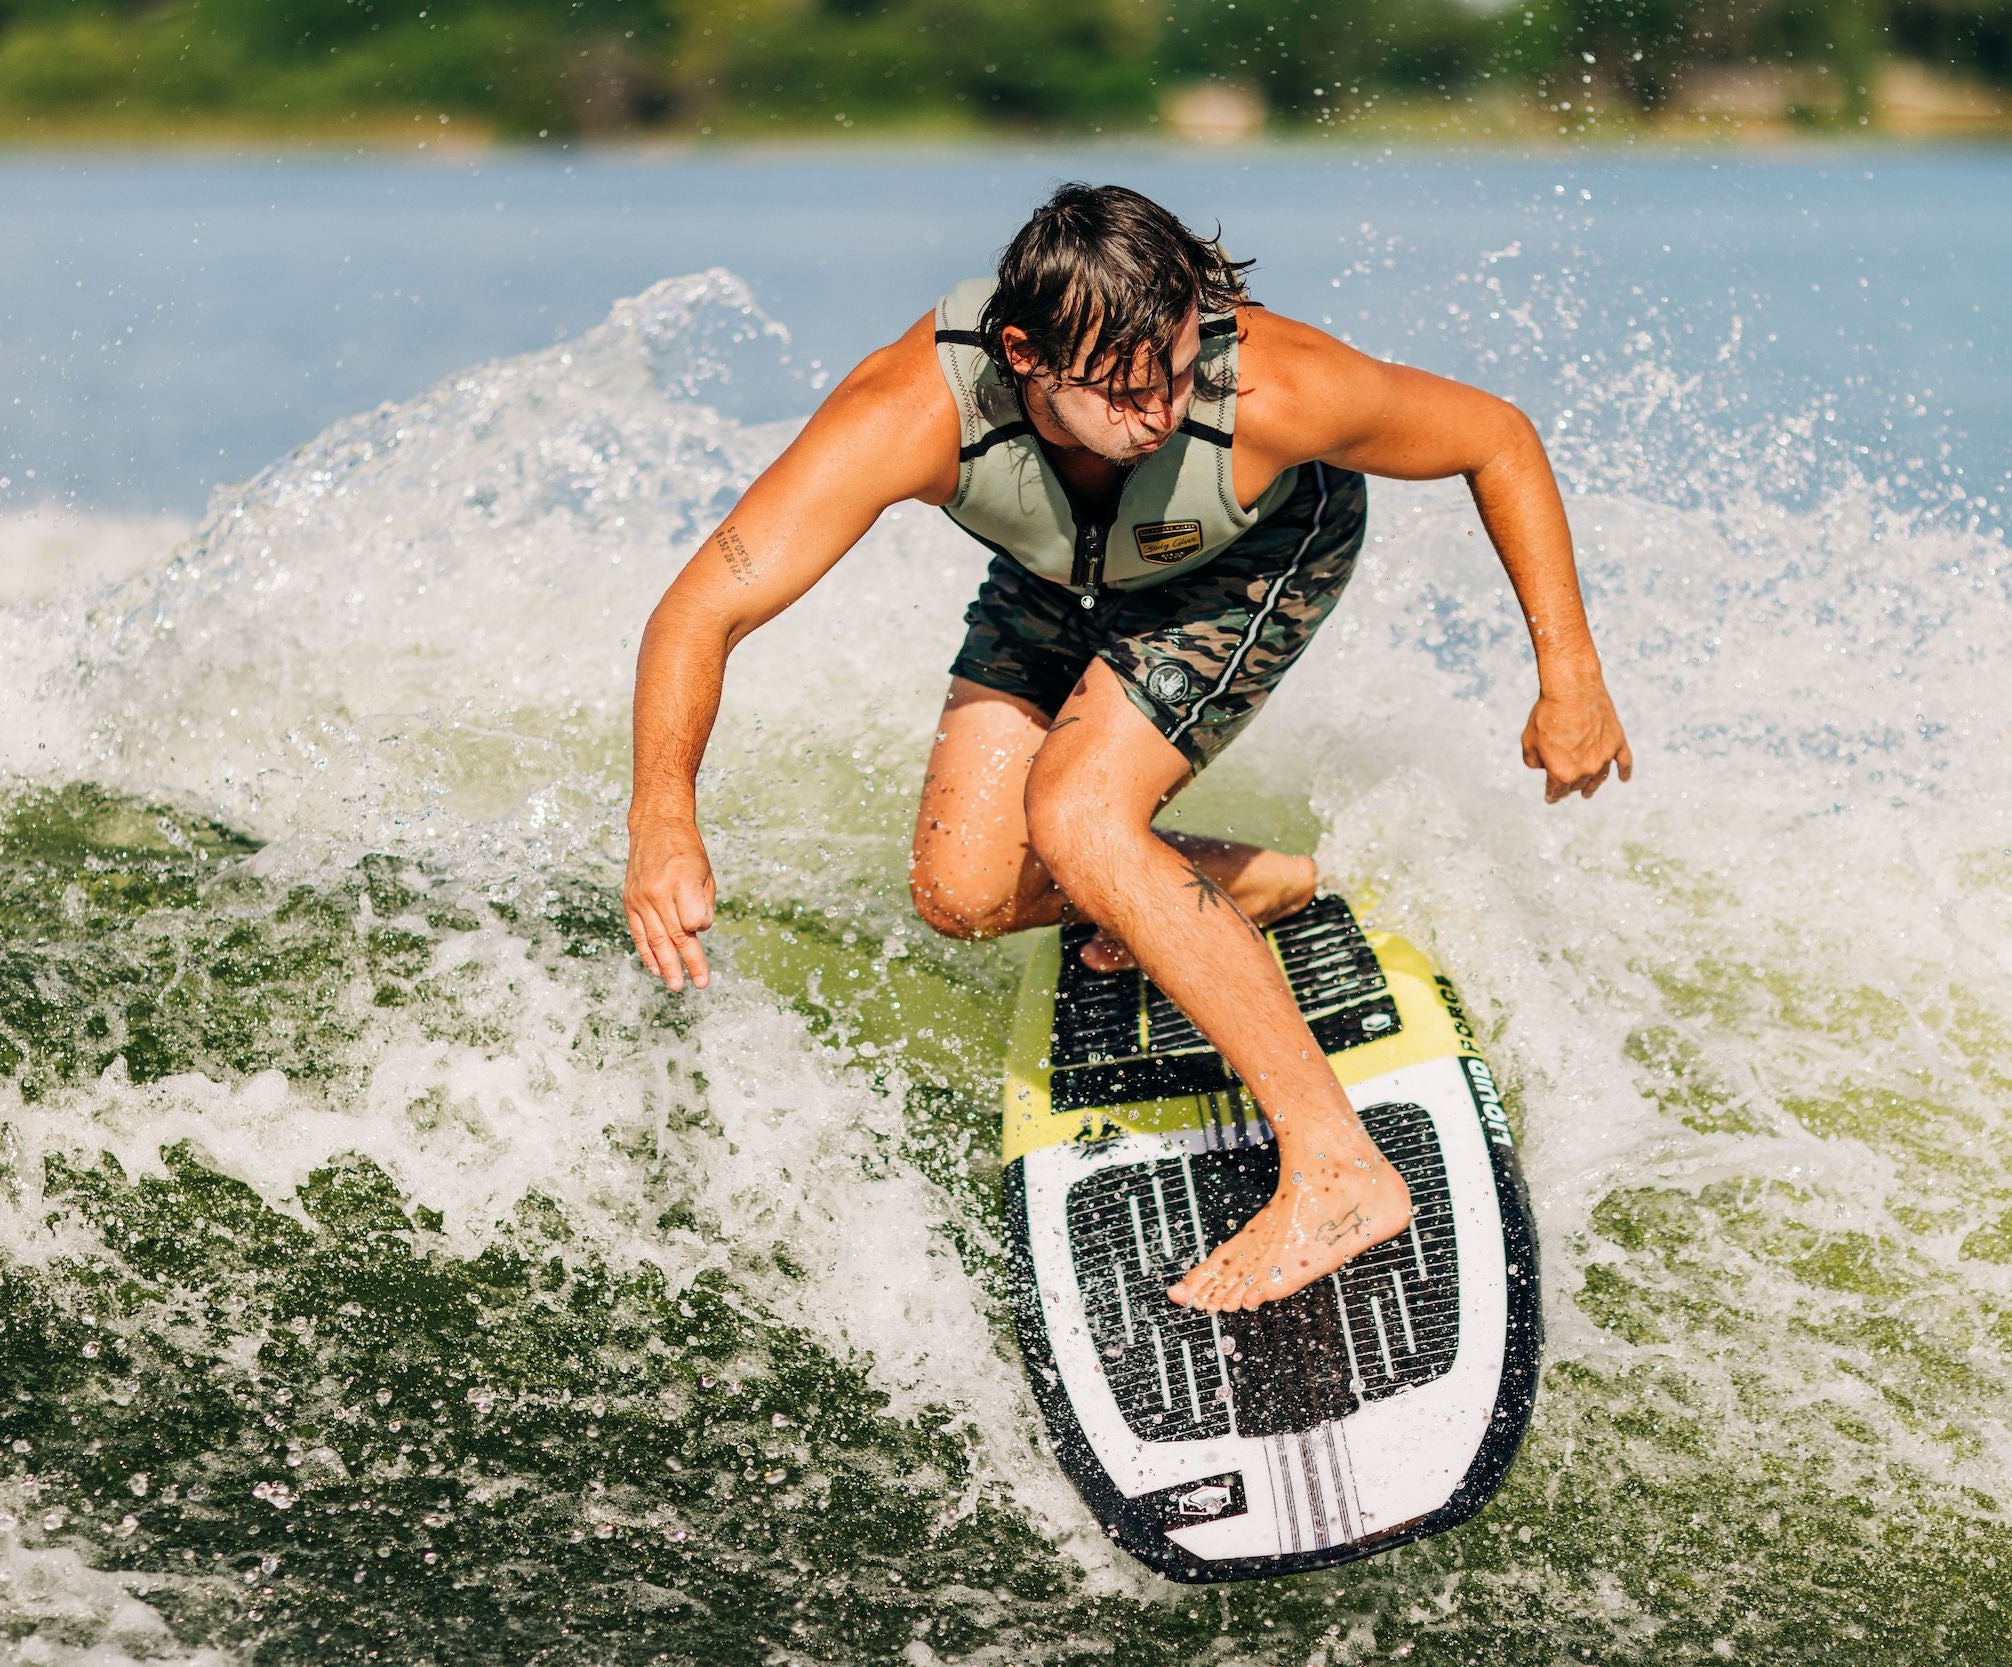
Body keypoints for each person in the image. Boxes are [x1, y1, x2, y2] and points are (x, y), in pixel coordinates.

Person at [621, 183, 1630, 1314]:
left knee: (1081, 816)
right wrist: (664, 820)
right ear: (1023, 354)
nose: (1156, 415)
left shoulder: (1275, 389)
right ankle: (1265, 887)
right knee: (960, 890)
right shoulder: (906, 410)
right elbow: (699, 608)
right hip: (1058, 572)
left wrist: (1569, 673)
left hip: (1245, 559)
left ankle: (1341, 1167)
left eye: (1177, 373)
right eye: (1119, 389)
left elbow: (1495, 437)